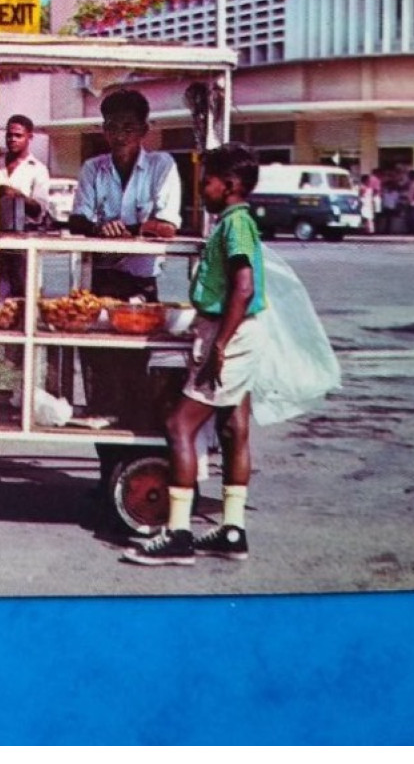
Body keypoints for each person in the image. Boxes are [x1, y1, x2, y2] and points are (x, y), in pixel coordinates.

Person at [123, 142, 266, 565]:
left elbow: (244, 287)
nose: (201, 189)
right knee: (233, 427)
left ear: (231, 185)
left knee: (179, 425)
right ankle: (232, 529)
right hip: (238, 334)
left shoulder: (236, 224)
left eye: (208, 182)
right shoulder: (233, 221)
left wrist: (219, 344)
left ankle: (179, 533)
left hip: (229, 336)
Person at [67, 90, 181, 492]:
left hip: (140, 285)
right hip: (101, 285)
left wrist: (126, 228)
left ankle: (137, 466)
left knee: (137, 376)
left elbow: (167, 225)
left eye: (129, 128)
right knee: (101, 379)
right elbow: (77, 220)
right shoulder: (93, 168)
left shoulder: (162, 166)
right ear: (103, 130)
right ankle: (108, 469)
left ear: (145, 130)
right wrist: (99, 228)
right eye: (113, 127)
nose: (120, 135)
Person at [0, 114, 54, 297]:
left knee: (24, 294)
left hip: (24, 241)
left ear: (30, 137)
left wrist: (17, 195)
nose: (12, 139)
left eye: (18, 135)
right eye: (9, 135)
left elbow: (40, 208)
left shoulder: (38, 169)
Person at [358, 171, 377, 235]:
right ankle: (367, 230)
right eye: (368, 180)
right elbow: (360, 195)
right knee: (365, 217)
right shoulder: (362, 187)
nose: (369, 181)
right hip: (364, 202)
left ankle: (369, 230)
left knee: (369, 217)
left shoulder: (369, 188)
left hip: (369, 203)